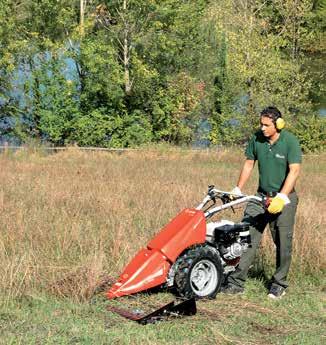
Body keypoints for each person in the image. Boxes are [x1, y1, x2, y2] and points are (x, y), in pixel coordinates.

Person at [223, 106, 302, 299]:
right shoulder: (257, 139)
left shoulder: (290, 142)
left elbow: (294, 171)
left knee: (283, 242)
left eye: (266, 125)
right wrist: (238, 188)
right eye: (261, 124)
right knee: (245, 237)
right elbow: (249, 164)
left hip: (285, 198)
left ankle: (279, 284)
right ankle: (236, 283)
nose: (262, 128)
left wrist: (282, 197)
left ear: (278, 124)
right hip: (260, 197)